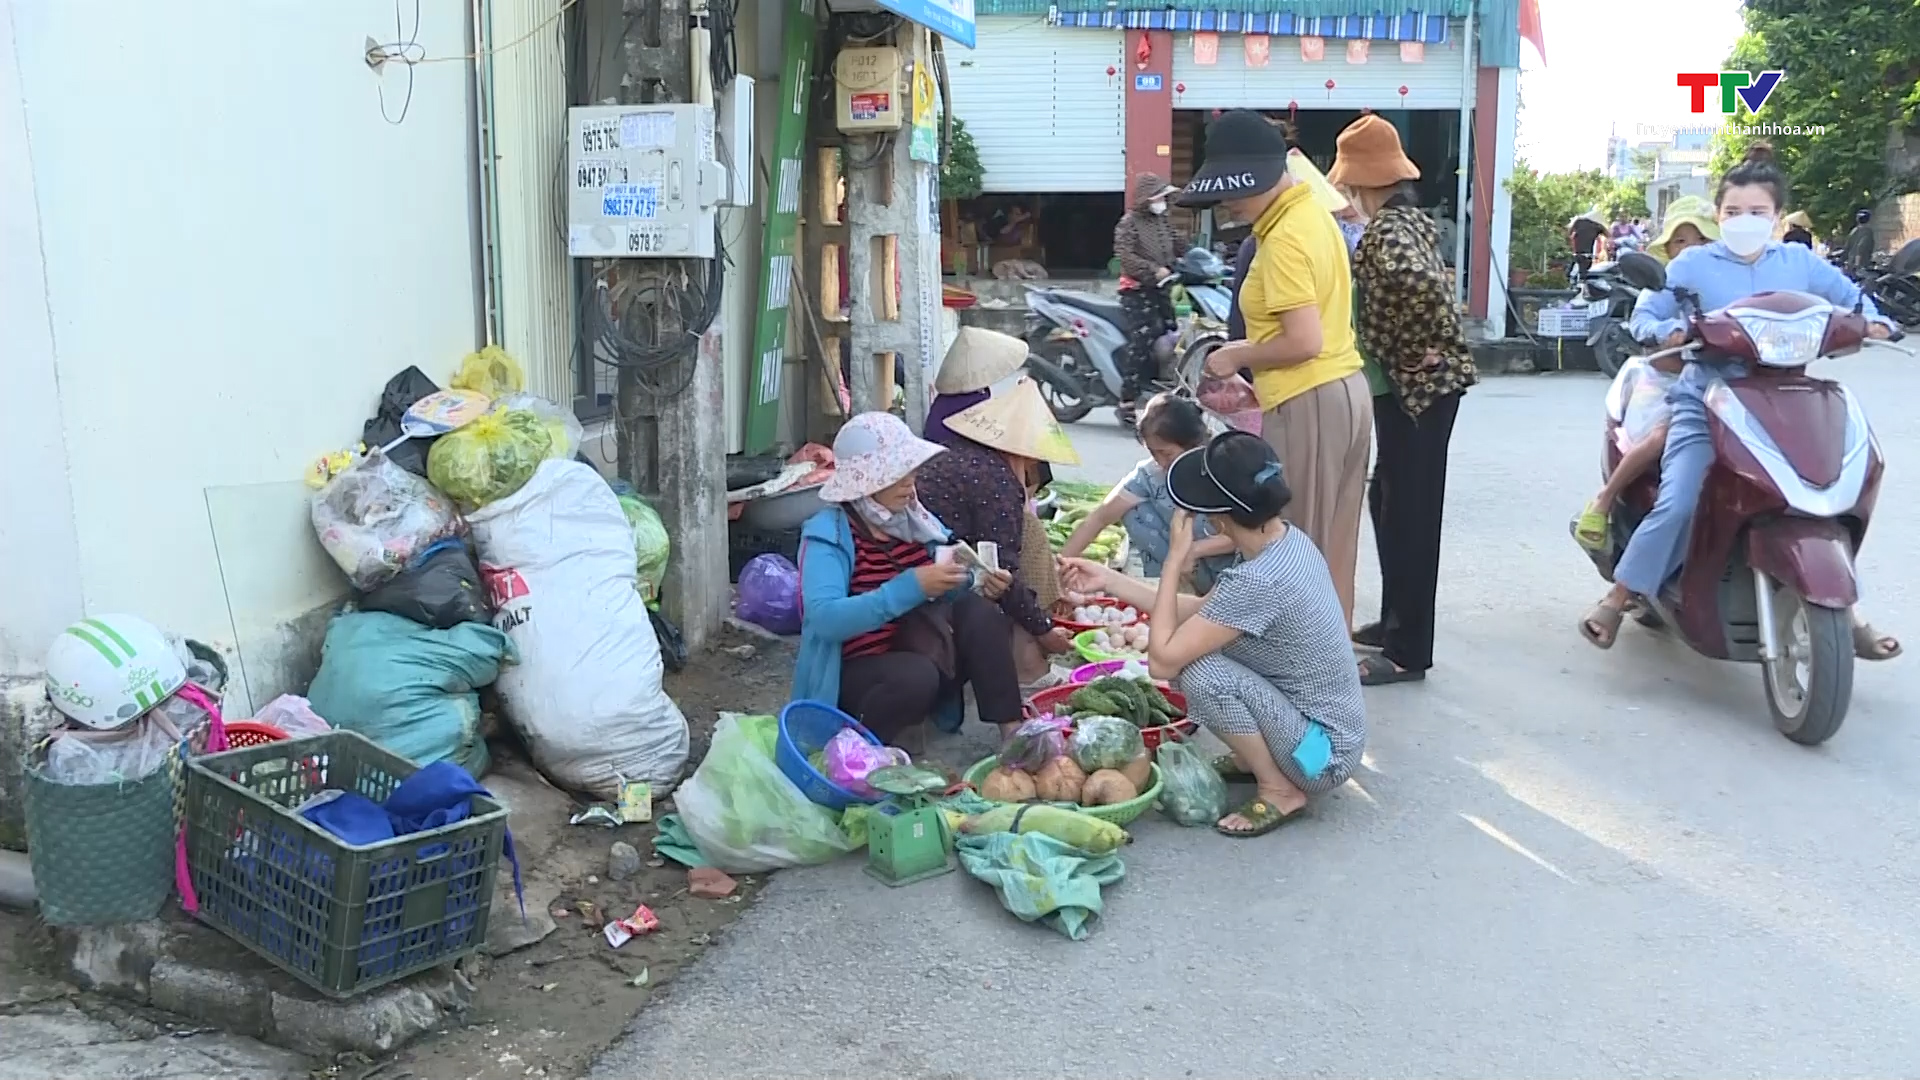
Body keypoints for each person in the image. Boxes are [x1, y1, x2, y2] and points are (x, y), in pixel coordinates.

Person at [1577, 144, 1901, 659]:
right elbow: (1650, 311)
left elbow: (1854, 300)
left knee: (1829, 491)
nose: (1744, 221)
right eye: (1732, 212)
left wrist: (1878, 321)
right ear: (1718, 213)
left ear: (1776, 218)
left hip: (1786, 400)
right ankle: (1620, 595)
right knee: (1681, 497)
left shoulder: (1799, 262)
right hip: (1707, 399)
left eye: (1757, 212)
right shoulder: (1695, 265)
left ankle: (1844, 607)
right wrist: (1662, 330)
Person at [1059, 432, 1366, 837]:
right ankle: (1256, 758)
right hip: (1329, 731)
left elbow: (1163, 659)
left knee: (1199, 672)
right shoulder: (1285, 541)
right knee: (1197, 654)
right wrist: (1110, 581)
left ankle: (1280, 787)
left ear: (1218, 518)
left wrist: (1174, 561)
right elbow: (1205, 613)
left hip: (1324, 756)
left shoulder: (1259, 580)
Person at [1180, 109, 1373, 630]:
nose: (1227, 203)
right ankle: (1332, 667)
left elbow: (1302, 341)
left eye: (1233, 190)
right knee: (1334, 546)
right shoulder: (1313, 213)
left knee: (1294, 551)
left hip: (1309, 398)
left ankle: (1303, 680)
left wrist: (1235, 355)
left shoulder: (1284, 237)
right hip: (1345, 393)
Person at [1332, 113, 1478, 685]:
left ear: (1363, 181)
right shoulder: (1407, 218)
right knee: (1389, 503)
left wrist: (1426, 346)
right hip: (1411, 393)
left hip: (1415, 393)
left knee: (1411, 516)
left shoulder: (1389, 231)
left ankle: (1407, 651)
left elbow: (1422, 283)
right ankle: (1395, 623)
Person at [792, 412, 1026, 748]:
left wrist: (969, 579)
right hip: (856, 674)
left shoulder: (914, 520)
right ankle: (861, 752)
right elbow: (824, 619)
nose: (909, 481)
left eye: (910, 470)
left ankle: (1014, 734)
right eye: (895, 473)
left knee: (981, 612)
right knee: (914, 676)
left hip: (916, 647)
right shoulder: (829, 534)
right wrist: (911, 587)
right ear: (865, 479)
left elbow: (942, 581)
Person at [916, 368, 1082, 689]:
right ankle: (1029, 666)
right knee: (1028, 541)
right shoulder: (995, 479)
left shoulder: (964, 454)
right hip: (934, 571)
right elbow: (1002, 575)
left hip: (932, 555)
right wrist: (1044, 630)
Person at [1571, 199, 1720, 552]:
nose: (1690, 250)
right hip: (1673, 384)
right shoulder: (1664, 285)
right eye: (1680, 241)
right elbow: (1644, 327)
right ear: (1667, 248)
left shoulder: (1725, 284)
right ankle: (1604, 500)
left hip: (1728, 385)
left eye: (1700, 241)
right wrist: (1670, 332)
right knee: (1659, 437)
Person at [1058, 394, 1237, 593]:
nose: (1160, 461)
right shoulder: (1150, 475)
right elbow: (1099, 518)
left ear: (1193, 444)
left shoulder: (1222, 469)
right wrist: (1060, 568)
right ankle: (1184, 585)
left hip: (1231, 567)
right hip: (1186, 562)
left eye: (1167, 453)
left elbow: (1246, 534)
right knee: (1130, 507)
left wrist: (1193, 550)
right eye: (1153, 453)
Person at [1113, 172, 1184, 417]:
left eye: (1165, 197)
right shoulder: (1128, 223)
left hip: (1161, 288)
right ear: (1147, 198)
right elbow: (1125, 256)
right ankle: (1127, 399)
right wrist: (1154, 270)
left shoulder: (1162, 220)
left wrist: (1200, 258)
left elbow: (1178, 243)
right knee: (1143, 339)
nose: (1162, 202)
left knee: (1172, 329)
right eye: (1159, 197)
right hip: (1136, 290)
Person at [1644, 196, 1716, 265]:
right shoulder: (1665, 276)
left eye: (1702, 239)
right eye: (1681, 241)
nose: (1691, 247)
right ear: (1667, 248)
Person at [1569, 208, 1606, 277]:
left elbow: (1570, 231)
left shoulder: (1579, 221)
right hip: (1587, 252)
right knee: (1585, 269)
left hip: (1579, 251)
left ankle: (1573, 278)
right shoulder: (1597, 226)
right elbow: (1608, 234)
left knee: (1579, 266)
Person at [1843, 208, 1877, 272]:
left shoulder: (1853, 231)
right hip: (1861, 265)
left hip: (1850, 263)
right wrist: (1857, 264)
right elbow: (1861, 247)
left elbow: (1847, 247)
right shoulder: (1868, 231)